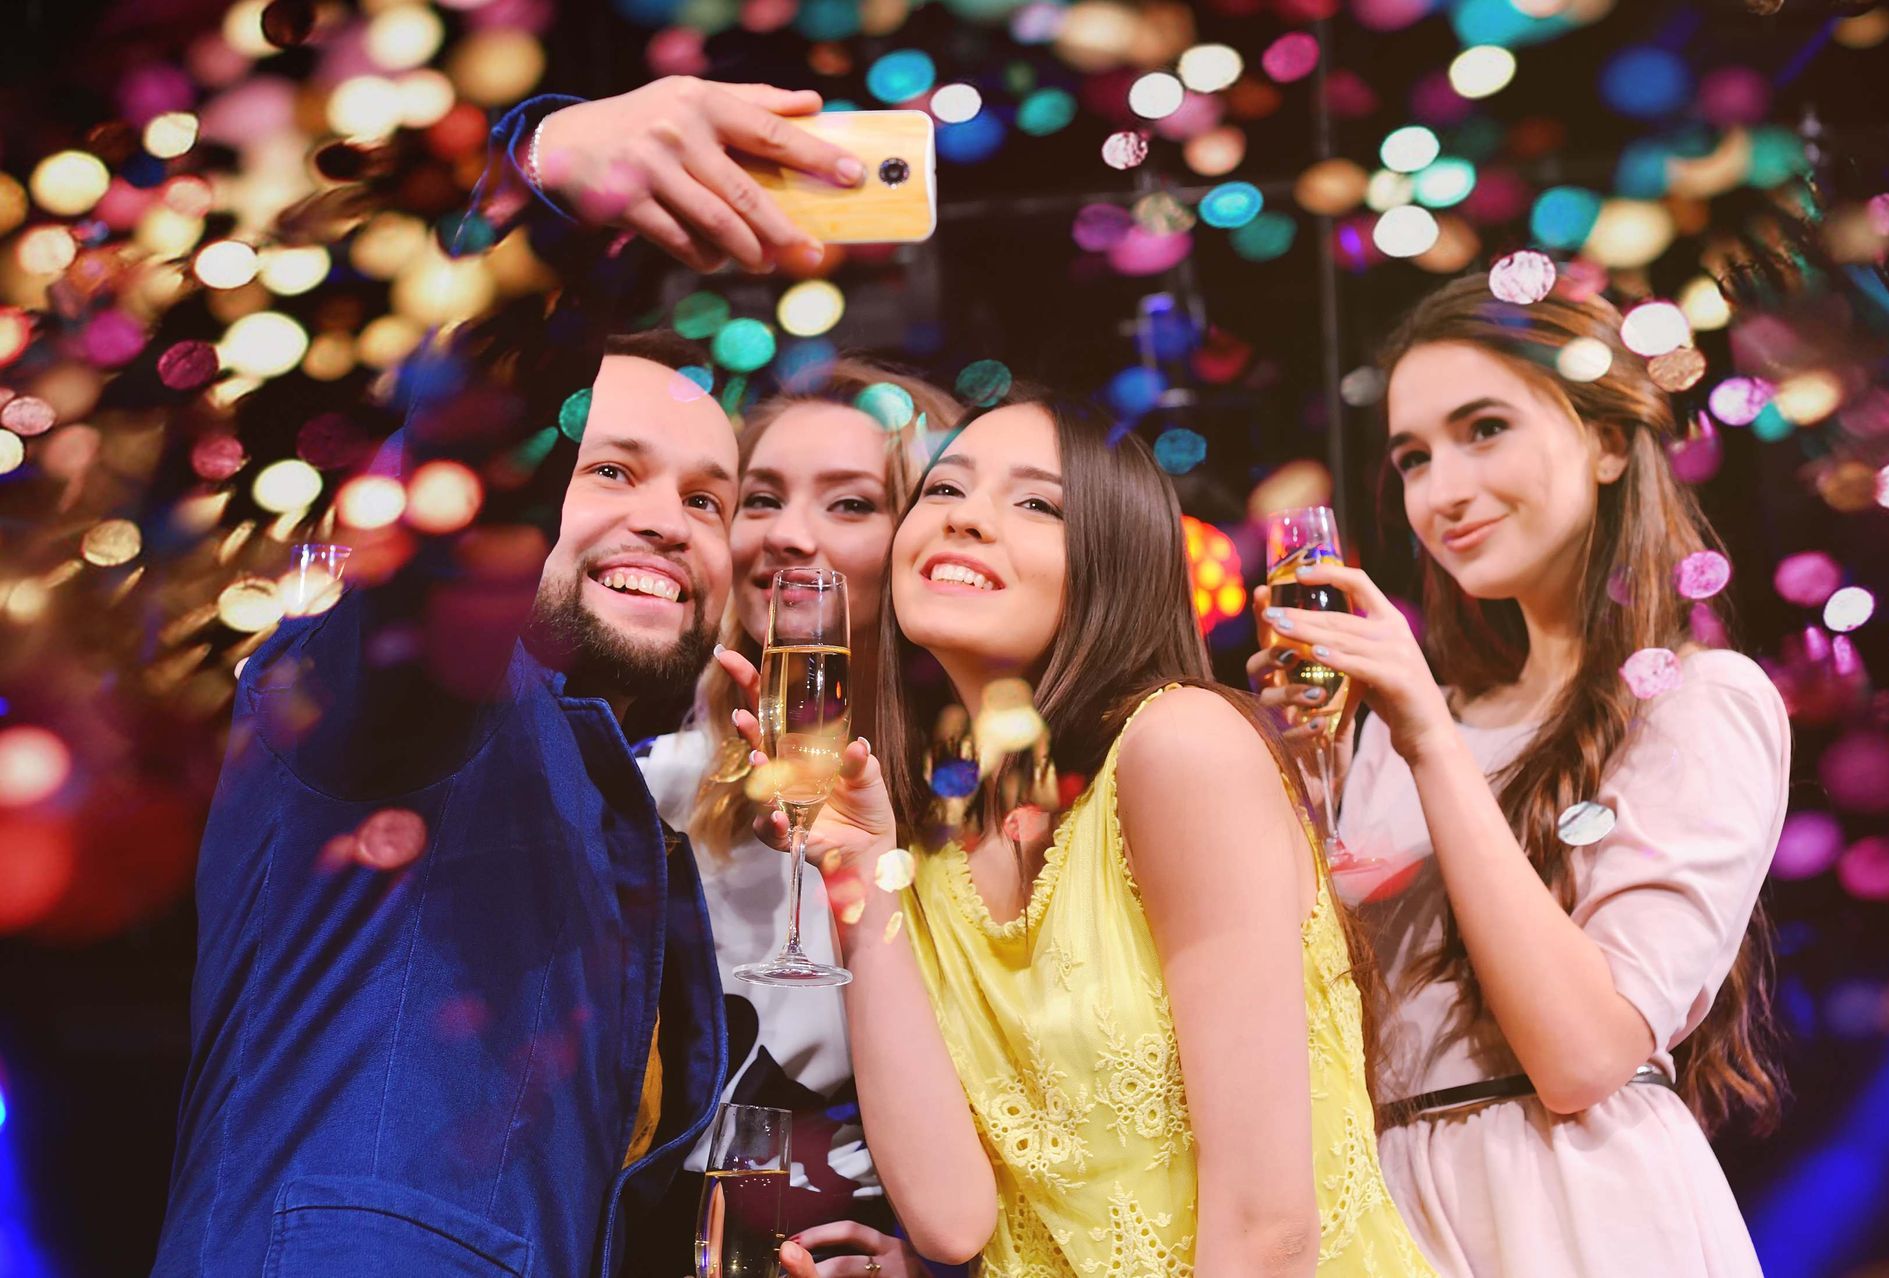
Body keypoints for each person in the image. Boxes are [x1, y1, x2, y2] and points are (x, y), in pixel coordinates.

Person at [152, 80, 867, 1278]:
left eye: (706, 500)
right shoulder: (391, 706)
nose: (671, 525)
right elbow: (462, 492)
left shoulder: (605, 796)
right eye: (608, 472)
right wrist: (548, 194)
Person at [727, 394, 1434, 1276]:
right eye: (943, 489)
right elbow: (951, 1220)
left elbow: (1268, 1229)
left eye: (1035, 504)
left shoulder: (1180, 746)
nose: (966, 519)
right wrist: (856, 872)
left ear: (1116, 565)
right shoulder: (930, 850)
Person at [1251, 274, 1788, 1277]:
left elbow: (1584, 1055)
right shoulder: (1399, 729)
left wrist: (1426, 736)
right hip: (1386, 1210)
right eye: (1413, 458)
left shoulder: (1701, 700)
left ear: (1608, 442)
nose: (1442, 490)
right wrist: (1289, 780)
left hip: (1570, 1212)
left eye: (1484, 428)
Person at [628, 361, 958, 1278]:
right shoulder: (657, 794)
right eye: (760, 499)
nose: (786, 536)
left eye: (850, 504)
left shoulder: (997, 807)